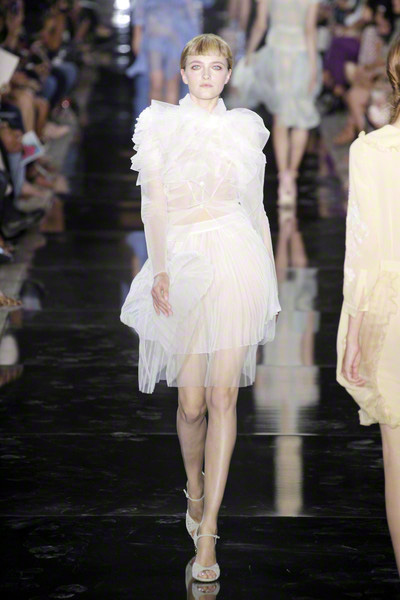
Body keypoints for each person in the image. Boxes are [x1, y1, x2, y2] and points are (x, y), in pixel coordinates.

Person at [121, 33, 280, 582]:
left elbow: (256, 208)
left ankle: (209, 530)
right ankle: (194, 487)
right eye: (197, 66)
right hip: (184, 260)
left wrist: (270, 280)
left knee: (222, 397)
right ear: (184, 73)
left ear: (228, 75)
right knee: (190, 405)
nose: (207, 75)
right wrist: (161, 268)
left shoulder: (245, 128)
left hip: (237, 256)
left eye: (216, 67)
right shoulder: (158, 124)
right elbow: (153, 205)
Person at [337, 35, 400, 576]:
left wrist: (355, 334)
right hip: (388, 305)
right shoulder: (370, 151)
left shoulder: (372, 151)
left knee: (399, 462)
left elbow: (363, 249)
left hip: (388, 308)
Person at [246, 0, 321, 209]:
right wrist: (313, 66)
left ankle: (283, 176)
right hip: (301, 57)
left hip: (277, 56)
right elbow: (309, 30)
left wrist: (249, 52)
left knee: (281, 117)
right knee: (301, 117)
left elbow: (260, 24)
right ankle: (291, 175)